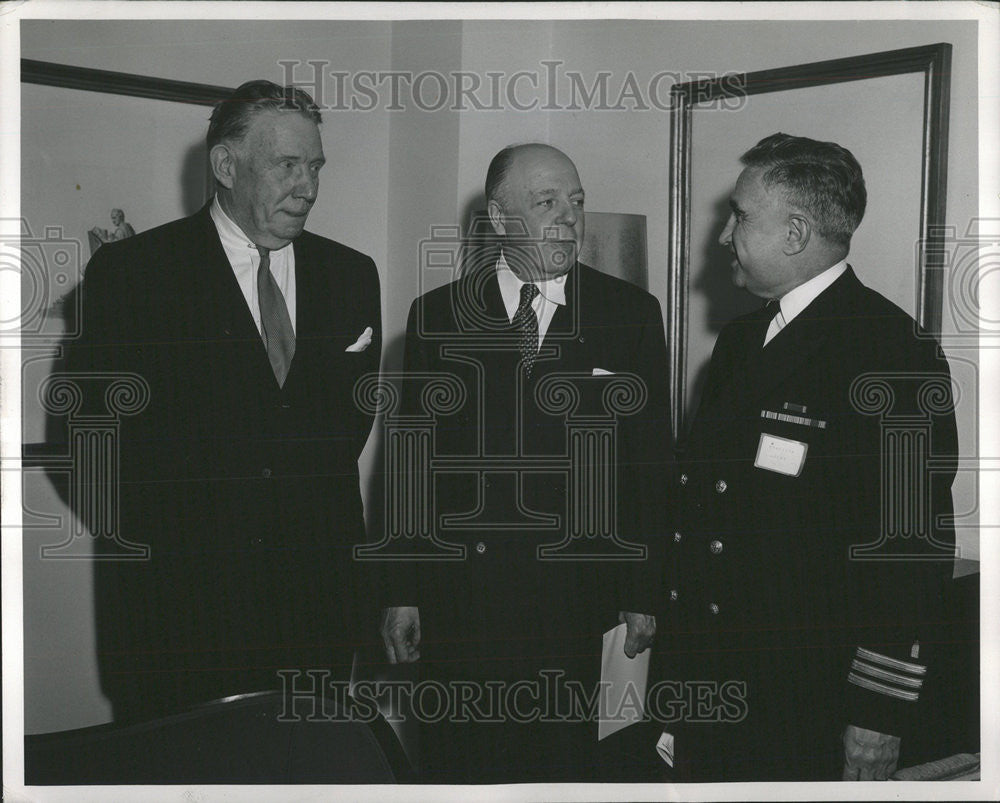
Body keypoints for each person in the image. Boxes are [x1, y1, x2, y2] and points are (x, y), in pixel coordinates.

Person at [64, 80, 382, 721]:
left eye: (315, 166)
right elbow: (91, 450)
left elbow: (346, 430)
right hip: (180, 624)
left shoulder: (352, 275)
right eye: (287, 165)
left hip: (318, 619)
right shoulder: (134, 274)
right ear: (226, 165)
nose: (309, 186)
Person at [659, 133, 958, 781]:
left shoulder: (891, 352)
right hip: (711, 678)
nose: (722, 237)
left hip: (804, 697)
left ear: (795, 233)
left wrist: (878, 712)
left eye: (739, 216)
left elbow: (909, 550)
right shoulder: (741, 340)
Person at [380, 143, 670, 782]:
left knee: (556, 770)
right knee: (458, 767)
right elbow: (410, 468)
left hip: (569, 600)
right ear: (497, 217)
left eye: (577, 201)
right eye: (546, 203)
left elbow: (648, 464)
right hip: (462, 600)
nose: (569, 217)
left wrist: (643, 590)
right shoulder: (435, 318)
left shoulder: (630, 316)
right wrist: (401, 591)